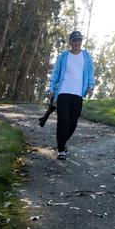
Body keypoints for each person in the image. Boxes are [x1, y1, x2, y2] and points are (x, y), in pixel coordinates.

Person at [45, 30, 95, 160]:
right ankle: (61, 149)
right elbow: (55, 74)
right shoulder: (63, 56)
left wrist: (90, 86)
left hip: (78, 94)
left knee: (73, 123)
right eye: (74, 40)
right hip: (63, 92)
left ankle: (62, 142)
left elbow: (90, 72)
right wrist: (51, 89)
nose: (77, 43)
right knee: (63, 121)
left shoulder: (86, 56)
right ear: (70, 42)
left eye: (79, 40)